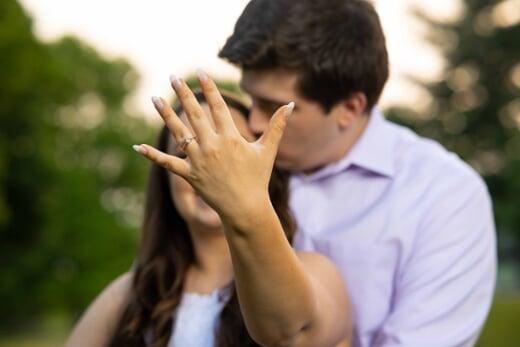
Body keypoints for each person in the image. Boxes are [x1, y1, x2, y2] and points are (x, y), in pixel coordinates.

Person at [217, 0, 497, 346]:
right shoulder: (236, 169)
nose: (255, 122)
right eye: (251, 98)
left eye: (275, 108)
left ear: (350, 108)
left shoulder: (443, 196)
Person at [65, 82, 352, 347]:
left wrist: (245, 205)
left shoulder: (316, 271)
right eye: (186, 151)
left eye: (230, 150)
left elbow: (291, 333)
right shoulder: (132, 292)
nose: (209, 167)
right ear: (164, 178)